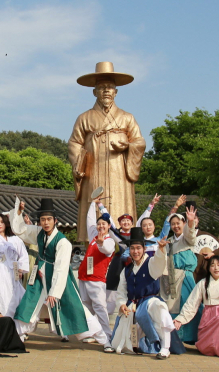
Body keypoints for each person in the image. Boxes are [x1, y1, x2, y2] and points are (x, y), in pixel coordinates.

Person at [9, 198, 111, 350]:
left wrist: (55, 292)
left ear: (55, 220)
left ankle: (105, 340)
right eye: (43, 219)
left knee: (75, 308)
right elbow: (21, 230)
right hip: (39, 277)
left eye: (49, 219)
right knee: (28, 303)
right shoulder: (39, 233)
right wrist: (19, 211)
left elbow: (61, 269)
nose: (46, 222)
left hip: (59, 280)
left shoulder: (63, 242)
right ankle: (17, 336)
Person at [68, 62, 146, 242]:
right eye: (102, 87)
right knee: (93, 210)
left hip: (119, 173)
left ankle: (124, 240)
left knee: (120, 209)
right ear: (94, 92)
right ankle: (93, 243)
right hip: (93, 171)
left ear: (116, 92)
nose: (106, 91)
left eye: (110, 87)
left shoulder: (127, 117)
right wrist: (79, 163)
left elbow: (139, 141)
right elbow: (74, 142)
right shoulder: (84, 118)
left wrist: (127, 146)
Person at [111, 227, 185, 359]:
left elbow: (158, 265)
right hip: (132, 305)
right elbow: (121, 291)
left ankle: (165, 347)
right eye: (132, 248)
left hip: (149, 300)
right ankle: (142, 344)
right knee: (120, 342)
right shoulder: (127, 270)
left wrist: (161, 250)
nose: (135, 251)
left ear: (144, 249)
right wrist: (122, 304)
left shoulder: (150, 262)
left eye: (138, 248)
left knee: (160, 309)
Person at [77, 198, 116, 344]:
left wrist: (101, 243)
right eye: (99, 224)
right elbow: (89, 221)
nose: (100, 226)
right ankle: (91, 333)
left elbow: (107, 249)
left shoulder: (109, 240)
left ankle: (107, 336)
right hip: (83, 276)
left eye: (103, 224)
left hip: (97, 279)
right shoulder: (94, 236)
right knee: (86, 306)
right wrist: (93, 203)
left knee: (100, 308)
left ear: (109, 226)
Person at [163, 207, 200, 344]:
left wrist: (191, 223)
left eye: (178, 223)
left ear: (183, 223)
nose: (175, 226)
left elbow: (191, 234)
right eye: (173, 224)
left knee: (188, 305)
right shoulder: (170, 241)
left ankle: (193, 336)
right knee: (173, 306)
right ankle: (176, 338)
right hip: (173, 278)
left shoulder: (187, 239)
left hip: (185, 277)